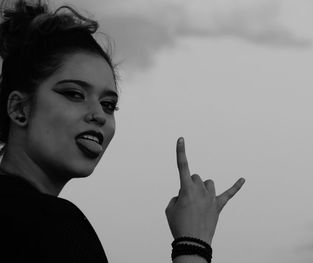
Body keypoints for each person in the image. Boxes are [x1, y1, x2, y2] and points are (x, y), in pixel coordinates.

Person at [0, 0, 245, 262]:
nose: (98, 115)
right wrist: (193, 243)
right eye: (73, 94)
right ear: (19, 109)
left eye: (108, 105)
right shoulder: (51, 224)